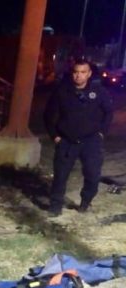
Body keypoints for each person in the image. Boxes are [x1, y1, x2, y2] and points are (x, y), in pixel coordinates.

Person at [44, 58, 113, 217]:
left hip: (91, 141)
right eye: (76, 72)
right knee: (60, 176)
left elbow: (108, 112)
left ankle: (85, 202)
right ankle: (55, 207)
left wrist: (102, 132)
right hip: (67, 141)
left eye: (83, 72)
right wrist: (55, 136)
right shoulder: (62, 91)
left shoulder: (99, 92)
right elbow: (48, 115)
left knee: (92, 175)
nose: (78, 76)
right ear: (72, 73)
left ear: (89, 74)